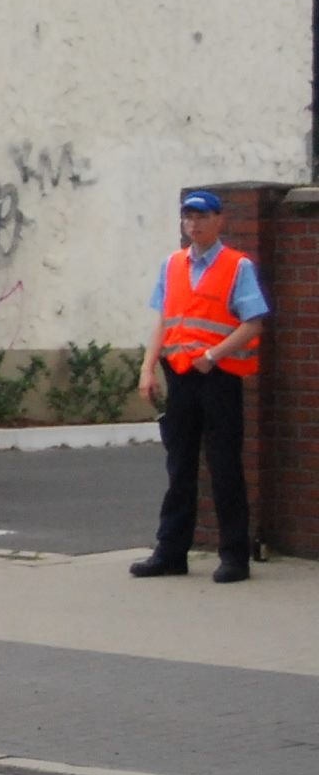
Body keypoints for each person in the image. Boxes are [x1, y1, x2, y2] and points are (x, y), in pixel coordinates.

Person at [131, 190, 265, 582]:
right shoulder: (172, 264)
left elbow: (253, 322)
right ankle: (171, 551)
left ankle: (234, 556)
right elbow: (164, 319)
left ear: (220, 221)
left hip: (217, 377)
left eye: (202, 217)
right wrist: (147, 367)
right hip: (180, 375)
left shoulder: (236, 266)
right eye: (189, 217)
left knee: (224, 466)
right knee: (180, 465)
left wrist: (215, 354)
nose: (194, 224)